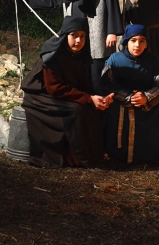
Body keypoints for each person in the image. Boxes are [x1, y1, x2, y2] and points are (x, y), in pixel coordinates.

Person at [20, 16, 114, 168]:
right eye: (74, 36)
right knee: (77, 110)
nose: (78, 41)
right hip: (41, 97)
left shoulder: (81, 55)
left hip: (64, 94)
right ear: (65, 35)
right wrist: (88, 99)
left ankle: (94, 155)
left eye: (82, 36)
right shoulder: (53, 56)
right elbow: (55, 88)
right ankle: (75, 158)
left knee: (92, 109)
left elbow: (84, 84)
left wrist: (98, 99)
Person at [99, 24, 159, 165]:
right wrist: (128, 97)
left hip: (146, 105)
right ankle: (113, 153)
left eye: (142, 41)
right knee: (109, 108)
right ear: (125, 42)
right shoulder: (114, 60)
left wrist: (146, 97)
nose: (137, 45)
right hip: (121, 102)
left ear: (147, 43)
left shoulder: (154, 62)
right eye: (133, 40)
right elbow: (106, 84)